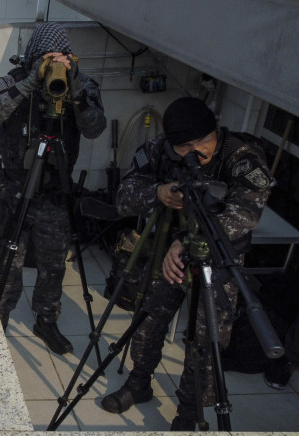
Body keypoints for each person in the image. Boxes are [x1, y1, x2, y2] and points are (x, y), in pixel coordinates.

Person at [100, 97, 273, 430]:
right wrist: (159, 192)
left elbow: (246, 214)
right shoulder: (160, 150)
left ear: (215, 131)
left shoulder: (242, 158)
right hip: (168, 254)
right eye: (185, 146)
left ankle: (190, 410)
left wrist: (189, 242)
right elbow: (124, 195)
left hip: (217, 260)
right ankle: (139, 382)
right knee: (148, 321)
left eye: (203, 142)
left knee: (207, 342)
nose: (198, 152)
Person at [0, 22, 106, 354]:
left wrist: (74, 89)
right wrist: (30, 83)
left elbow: (94, 129)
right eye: (49, 59)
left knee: (53, 265)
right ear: (34, 58)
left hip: (54, 194)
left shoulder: (83, 85)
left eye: (60, 58)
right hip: (15, 190)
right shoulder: (13, 82)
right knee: (9, 259)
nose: (55, 65)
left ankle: (46, 320)